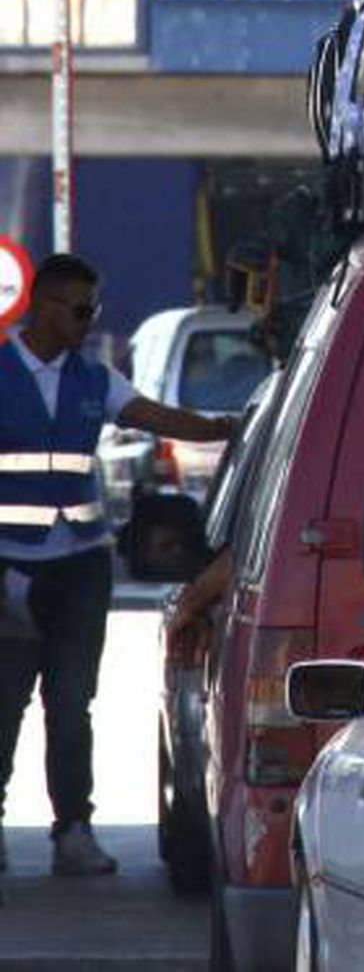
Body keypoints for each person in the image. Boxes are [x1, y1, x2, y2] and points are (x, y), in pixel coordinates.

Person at [0, 254, 234, 877]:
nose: (88, 321)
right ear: (45, 305)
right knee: (4, 703)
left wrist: (231, 428)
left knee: (72, 705)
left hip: (79, 566)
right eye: (79, 309)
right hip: (9, 569)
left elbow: (162, 419)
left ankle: (73, 829)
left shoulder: (94, 380)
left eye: (92, 310)